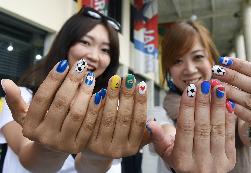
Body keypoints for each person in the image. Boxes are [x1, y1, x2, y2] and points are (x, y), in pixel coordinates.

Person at [0, 6, 147, 173]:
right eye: (85, 42)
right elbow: (30, 159)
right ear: (66, 45)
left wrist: (98, 157)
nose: (94, 56)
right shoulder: (24, 98)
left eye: (105, 50)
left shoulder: (109, 110)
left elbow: (90, 168)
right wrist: (49, 149)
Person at [146, 21, 251, 173]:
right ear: (168, 70)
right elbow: (167, 132)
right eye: (177, 61)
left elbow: (246, 133)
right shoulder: (160, 112)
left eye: (197, 57)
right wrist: (173, 144)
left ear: (211, 59)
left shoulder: (233, 98)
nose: (190, 69)